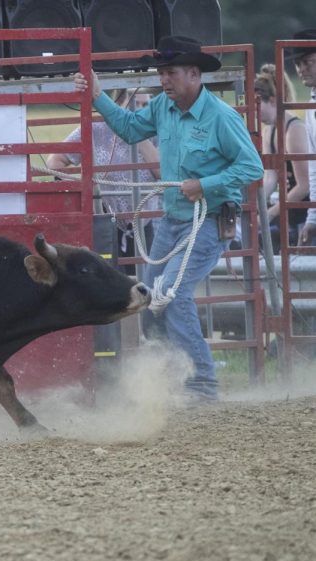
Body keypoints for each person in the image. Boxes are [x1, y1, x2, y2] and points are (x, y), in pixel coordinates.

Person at [74, 36, 264, 401]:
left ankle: (203, 385)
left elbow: (251, 166)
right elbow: (130, 128)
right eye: (161, 73)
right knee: (151, 300)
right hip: (173, 220)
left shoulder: (221, 117)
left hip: (208, 221)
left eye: (170, 73)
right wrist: (97, 95)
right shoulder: (164, 106)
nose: (164, 80)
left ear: (194, 74)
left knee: (171, 297)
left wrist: (205, 184)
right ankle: (168, 380)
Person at [47, 88, 161, 271]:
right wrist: (81, 192)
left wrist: (136, 133)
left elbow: (162, 173)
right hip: (106, 220)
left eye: (145, 104)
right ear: (117, 104)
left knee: (148, 284)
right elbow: (55, 161)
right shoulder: (97, 128)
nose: (139, 109)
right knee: (112, 285)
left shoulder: (156, 131)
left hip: (145, 221)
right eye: (134, 103)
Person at [255, 63, 310, 247]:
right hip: (284, 207)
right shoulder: (268, 130)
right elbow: (270, 177)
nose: (256, 115)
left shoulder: (294, 129)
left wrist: (270, 213)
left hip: (303, 210)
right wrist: (258, 206)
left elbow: (304, 185)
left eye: (258, 107)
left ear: (272, 100)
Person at [290, 30, 316, 246]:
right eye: (298, 64)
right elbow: (313, 165)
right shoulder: (309, 107)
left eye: (307, 62)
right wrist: (313, 217)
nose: (301, 69)